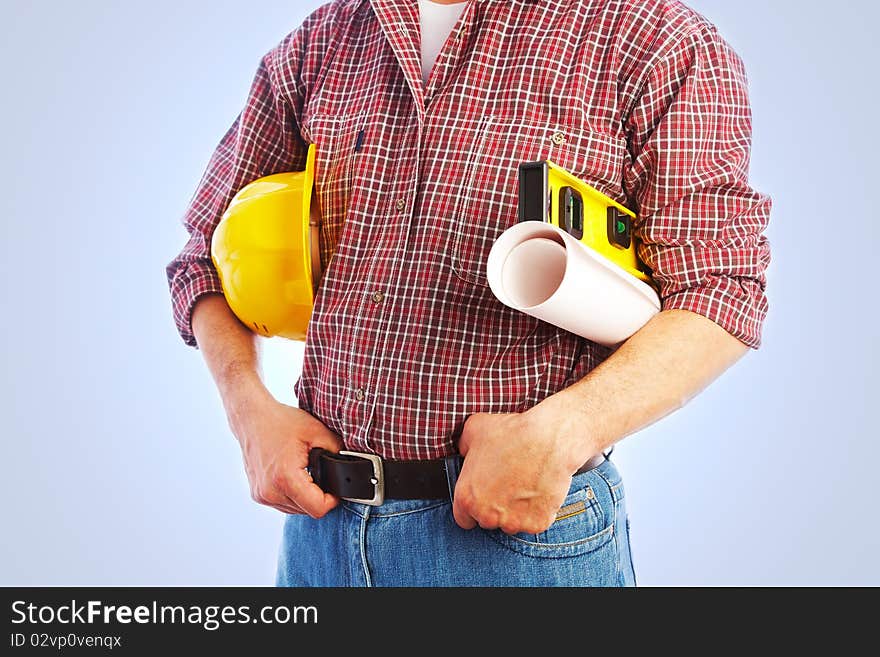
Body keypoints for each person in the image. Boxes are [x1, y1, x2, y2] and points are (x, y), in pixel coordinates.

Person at [166, 0, 771, 587]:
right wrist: (249, 412)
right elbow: (204, 256)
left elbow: (721, 290)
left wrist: (566, 431)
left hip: (519, 540)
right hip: (320, 536)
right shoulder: (321, 41)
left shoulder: (656, 39)